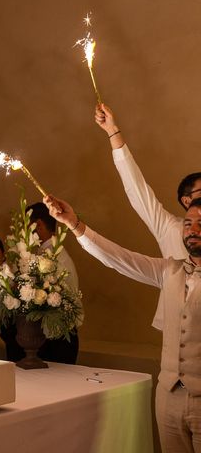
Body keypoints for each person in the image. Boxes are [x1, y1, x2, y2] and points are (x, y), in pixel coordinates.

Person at [44, 193, 201, 452]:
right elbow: (120, 259)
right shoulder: (168, 270)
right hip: (168, 396)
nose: (192, 230)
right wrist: (74, 224)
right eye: (187, 223)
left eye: (200, 224)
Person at [95, 103, 201, 330]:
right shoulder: (170, 227)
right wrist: (113, 133)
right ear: (186, 200)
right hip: (178, 326)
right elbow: (137, 189)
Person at [0, 204, 81, 364]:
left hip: (55, 341)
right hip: (45, 338)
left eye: (25, 228)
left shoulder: (54, 257)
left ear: (39, 224)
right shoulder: (42, 253)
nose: (23, 234)